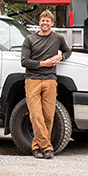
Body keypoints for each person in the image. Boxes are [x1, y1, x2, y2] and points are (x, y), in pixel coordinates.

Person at [20, 10, 72, 159]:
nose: (44, 23)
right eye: (42, 20)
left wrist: (60, 56)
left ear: (52, 23)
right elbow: (24, 61)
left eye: (47, 21)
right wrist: (44, 63)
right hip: (32, 80)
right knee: (36, 116)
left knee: (48, 116)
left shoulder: (58, 38)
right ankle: (47, 148)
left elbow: (68, 51)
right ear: (39, 22)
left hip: (50, 81)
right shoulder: (29, 39)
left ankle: (37, 148)